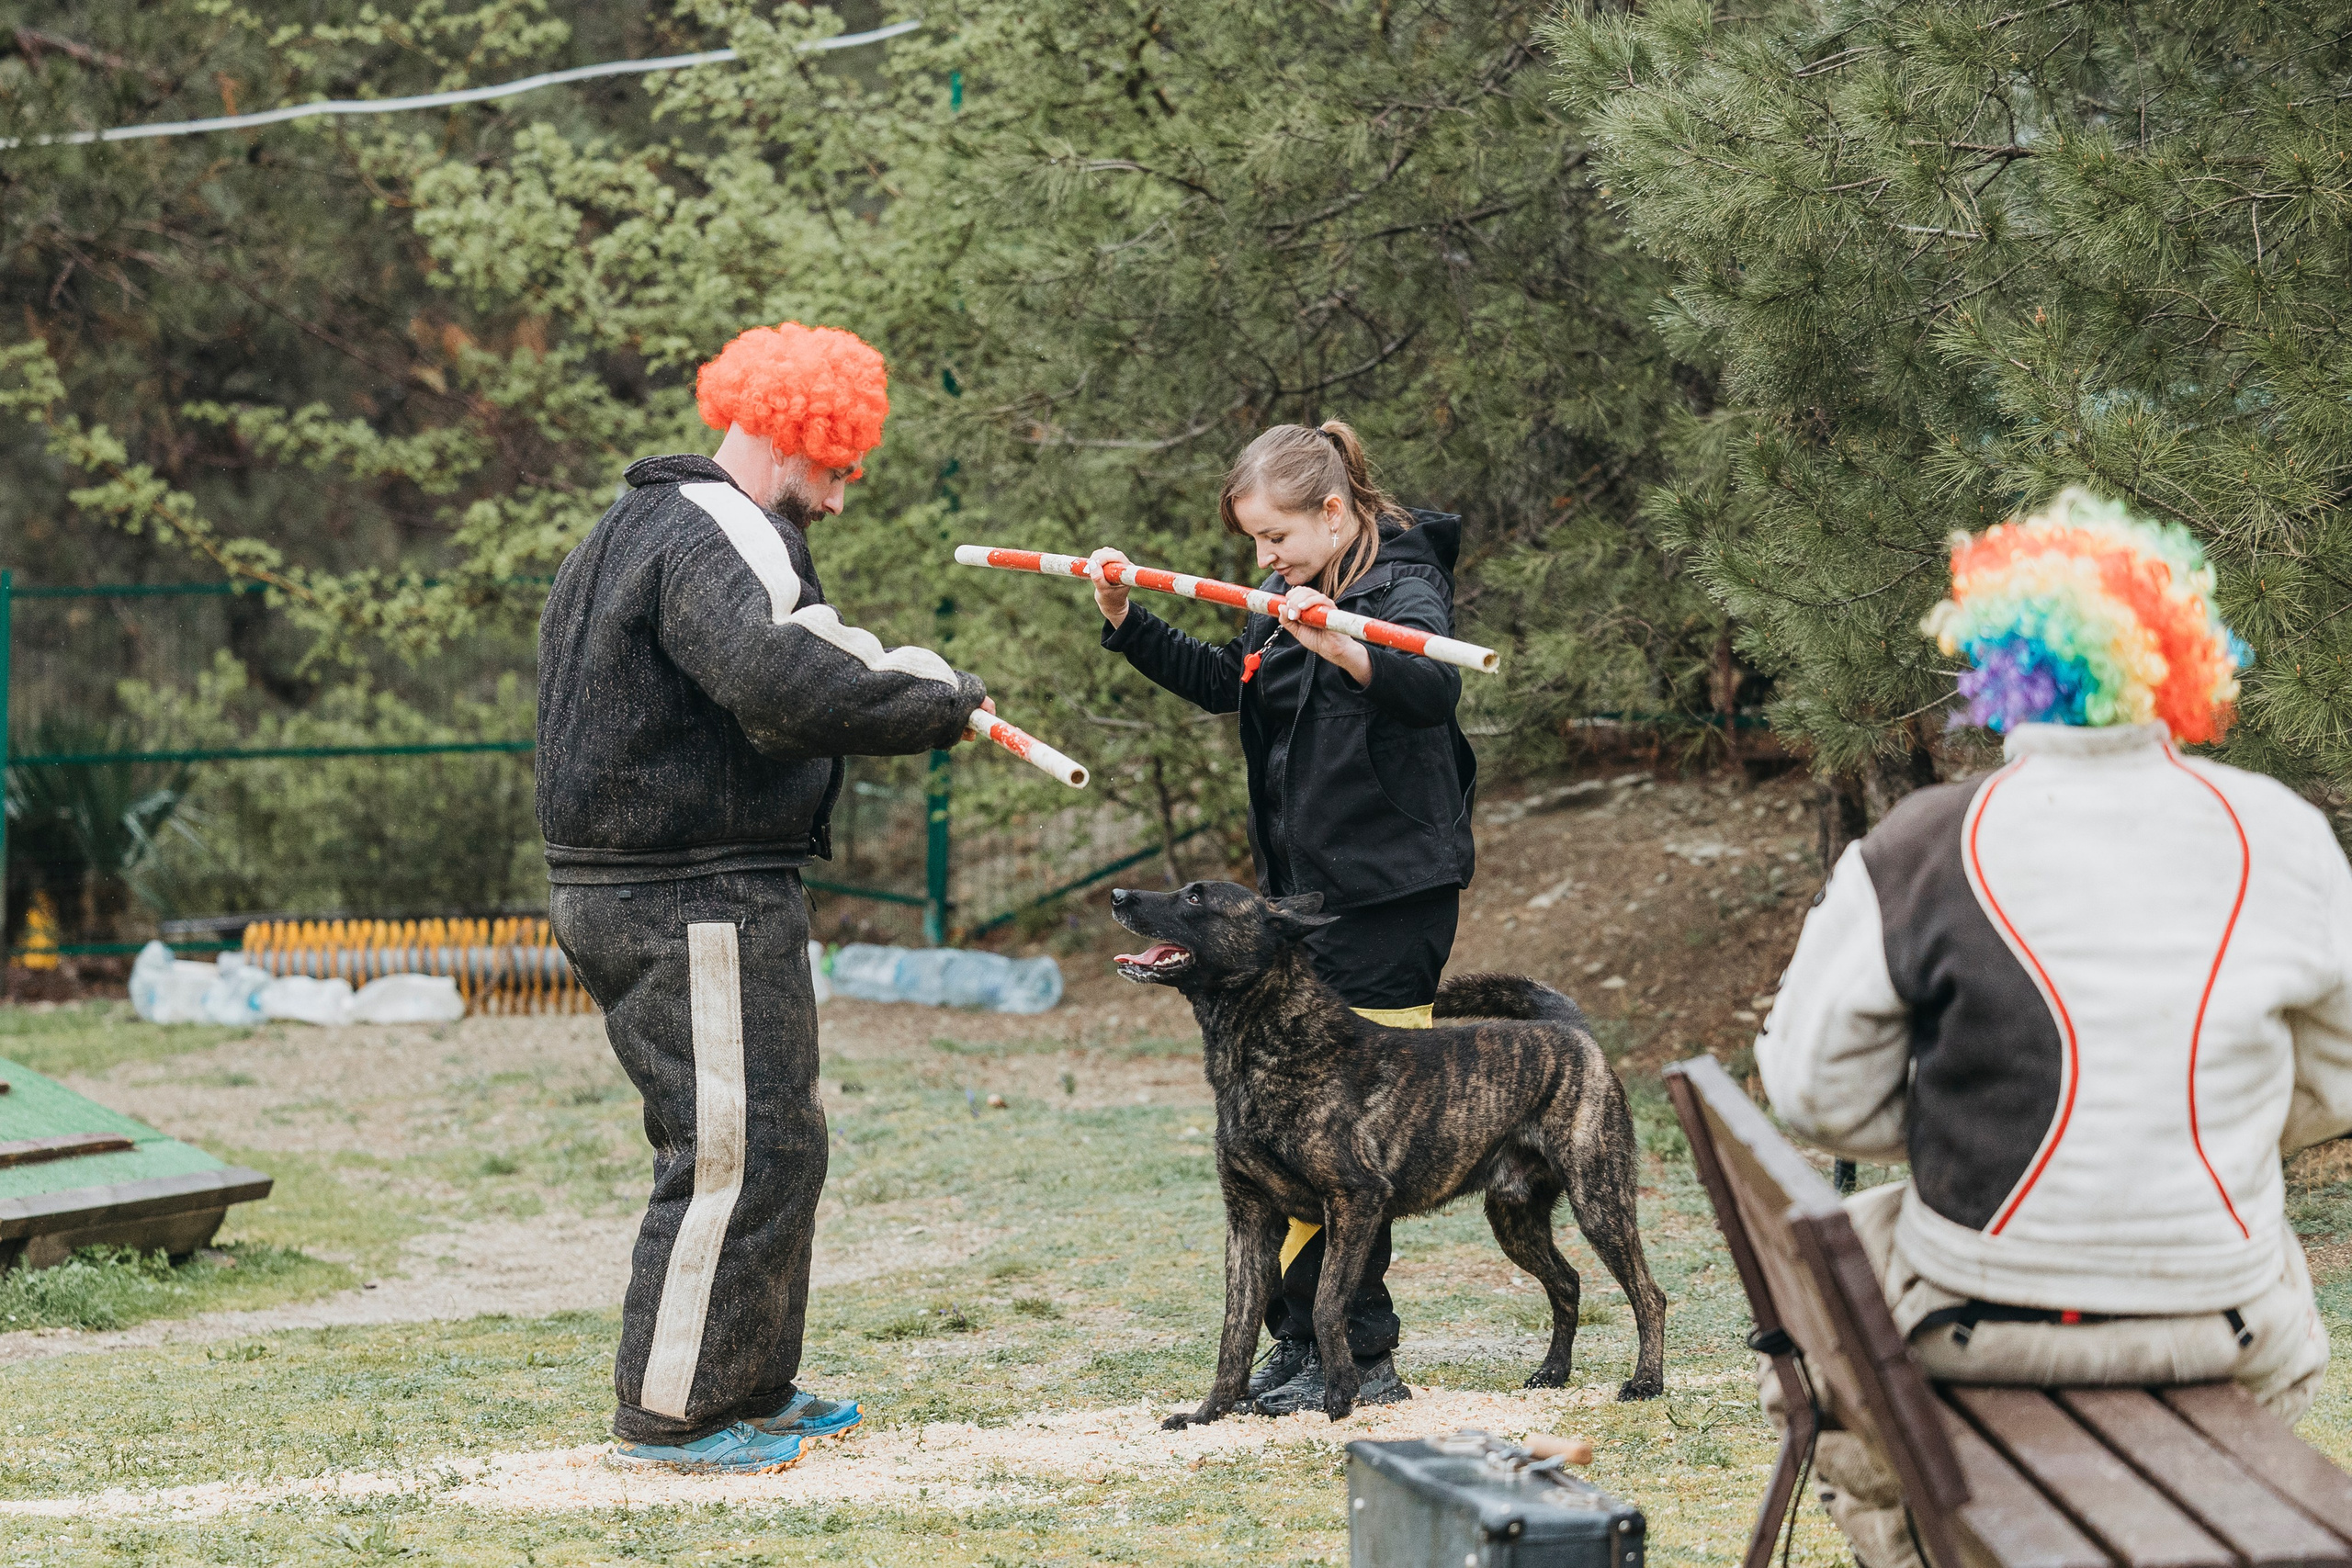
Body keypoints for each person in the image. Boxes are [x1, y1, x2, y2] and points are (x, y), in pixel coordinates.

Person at [1755, 489, 2352, 1567]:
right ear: (2183, 660)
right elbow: (2343, 1074)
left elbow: (1813, 1093)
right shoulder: (2281, 832)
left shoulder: (1924, 841)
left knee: (1862, 1272)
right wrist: (2197, 1125)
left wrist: (1977, 1110)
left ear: (1994, 668)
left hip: (1976, 1326)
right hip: (2224, 1326)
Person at [537, 322, 995, 1474]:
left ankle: (749, 1384)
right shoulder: (716, 530)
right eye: (839, 469)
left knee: (772, 1140)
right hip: (686, 890)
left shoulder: (637, 527)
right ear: (796, 436)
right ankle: (676, 1416)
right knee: (730, 1150)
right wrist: (940, 694)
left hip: (672, 884)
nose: (839, 499)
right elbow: (780, 677)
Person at [1091, 420, 1477, 1415]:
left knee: (1348, 1140)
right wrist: (1127, 619)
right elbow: (1230, 681)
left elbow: (1431, 687)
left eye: (1275, 539)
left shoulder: (1401, 581)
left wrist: (1343, 645)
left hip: (1391, 899)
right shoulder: (1278, 596)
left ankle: (1360, 1352)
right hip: (1302, 903)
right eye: (1254, 544)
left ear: (1334, 512)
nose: (1263, 562)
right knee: (1285, 1131)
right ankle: (1299, 1342)